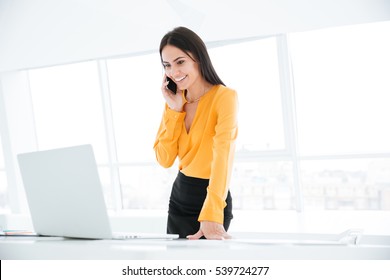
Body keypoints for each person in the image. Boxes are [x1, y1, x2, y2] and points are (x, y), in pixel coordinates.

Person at [153, 26, 238, 240]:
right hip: (180, 196)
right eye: (167, 65)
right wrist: (174, 111)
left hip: (212, 194)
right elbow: (164, 159)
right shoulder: (175, 101)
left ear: (197, 58)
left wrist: (212, 212)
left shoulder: (224, 97)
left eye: (180, 62)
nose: (174, 72)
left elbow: (223, 156)